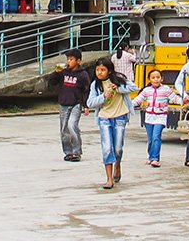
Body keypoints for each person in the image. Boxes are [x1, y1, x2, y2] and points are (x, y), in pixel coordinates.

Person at [86, 57, 137, 189]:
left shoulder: (119, 80)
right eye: (97, 70)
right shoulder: (95, 85)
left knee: (118, 147)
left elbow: (134, 87)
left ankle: (117, 164)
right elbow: (90, 103)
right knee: (107, 147)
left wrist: (119, 88)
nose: (99, 72)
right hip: (104, 118)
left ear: (109, 71)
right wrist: (103, 96)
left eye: (103, 70)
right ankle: (109, 179)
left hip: (120, 116)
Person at [47, 48, 91, 162]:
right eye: (68, 59)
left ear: (78, 61)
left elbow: (86, 90)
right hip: (63, 104)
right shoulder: (63, 72)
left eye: (71, 59)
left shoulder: (83, 75)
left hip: (76, 103)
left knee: (72, 125)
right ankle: (68, 152)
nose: (68, 61)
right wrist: (56, 73)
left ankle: (77, 152)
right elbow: (51, 82)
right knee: (64, 129)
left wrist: (86, 105)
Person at [133, 69, 177, 167]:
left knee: (156, 137)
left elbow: (175, 99)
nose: (156, 79)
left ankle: (155, 158)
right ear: (149, 79)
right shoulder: (147, 90)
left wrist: (185, 101)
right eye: (153, 78)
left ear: (162, 79)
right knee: (150, 139)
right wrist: (128, 106)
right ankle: (151, 156)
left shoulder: (166, 89)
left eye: (158, 77)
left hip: (160, 117)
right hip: (149, 117)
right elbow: (138, 100)